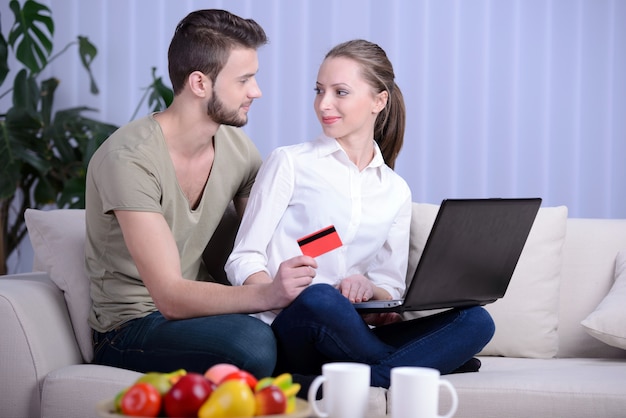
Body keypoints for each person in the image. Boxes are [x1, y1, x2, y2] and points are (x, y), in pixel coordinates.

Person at [225, 39, 495, 388]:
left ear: (378, 101)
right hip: (293, 324)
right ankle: (419, 366)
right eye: (319, 90)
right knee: (321, 296)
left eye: (340, 92)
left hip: (351, 334)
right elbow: (242, 258)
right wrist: (274, 289)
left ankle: (350, 378)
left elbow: (390, 288)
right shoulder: (290, 163)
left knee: (476, 321)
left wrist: (370, 290)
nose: (324, 104)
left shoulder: (395, 190)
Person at [85, 9, 306, 379]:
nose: (257, 91)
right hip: (131, 326)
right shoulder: (128, 159)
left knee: (310, 328)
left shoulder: (238, 150)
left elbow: (268, 241)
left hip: (203, 315)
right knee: (251, 343)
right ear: (200, 83)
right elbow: (168, 297)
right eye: (244, 80)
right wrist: (267, 296)